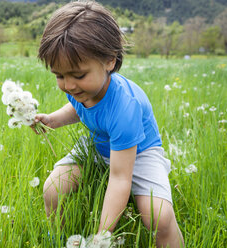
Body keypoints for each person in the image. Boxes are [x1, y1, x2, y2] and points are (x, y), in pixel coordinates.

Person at [33, 1, 184, 247]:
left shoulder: (125, 107)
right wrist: (53, 120)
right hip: (98, 146)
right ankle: (57, 239)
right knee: (52, 189)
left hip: (140, 154)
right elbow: (78, 107)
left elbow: (120, 178)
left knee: (159, 218)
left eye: (78, 75)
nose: (69, 86)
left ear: (110, 61)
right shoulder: (80, 88)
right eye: (59, 76)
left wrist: (102, 235)